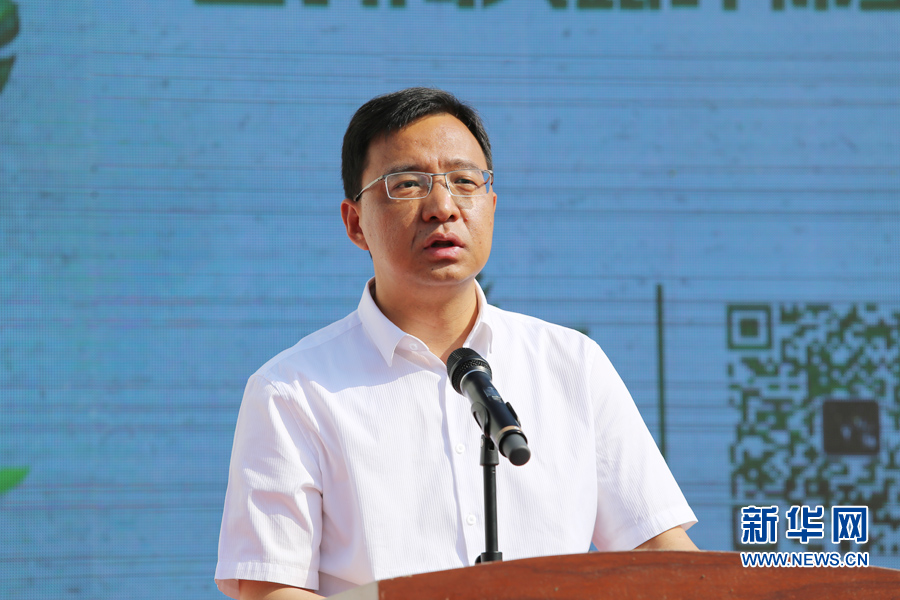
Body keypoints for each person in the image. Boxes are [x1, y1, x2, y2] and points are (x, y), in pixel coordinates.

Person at [215, 87, 698, 600]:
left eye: (464, 182)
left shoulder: (572, 364)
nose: (442, 208)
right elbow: (272, 589)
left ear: (491, 205)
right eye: (407, 184)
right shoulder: (291, 392)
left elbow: (661, 552)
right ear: (356, 223)